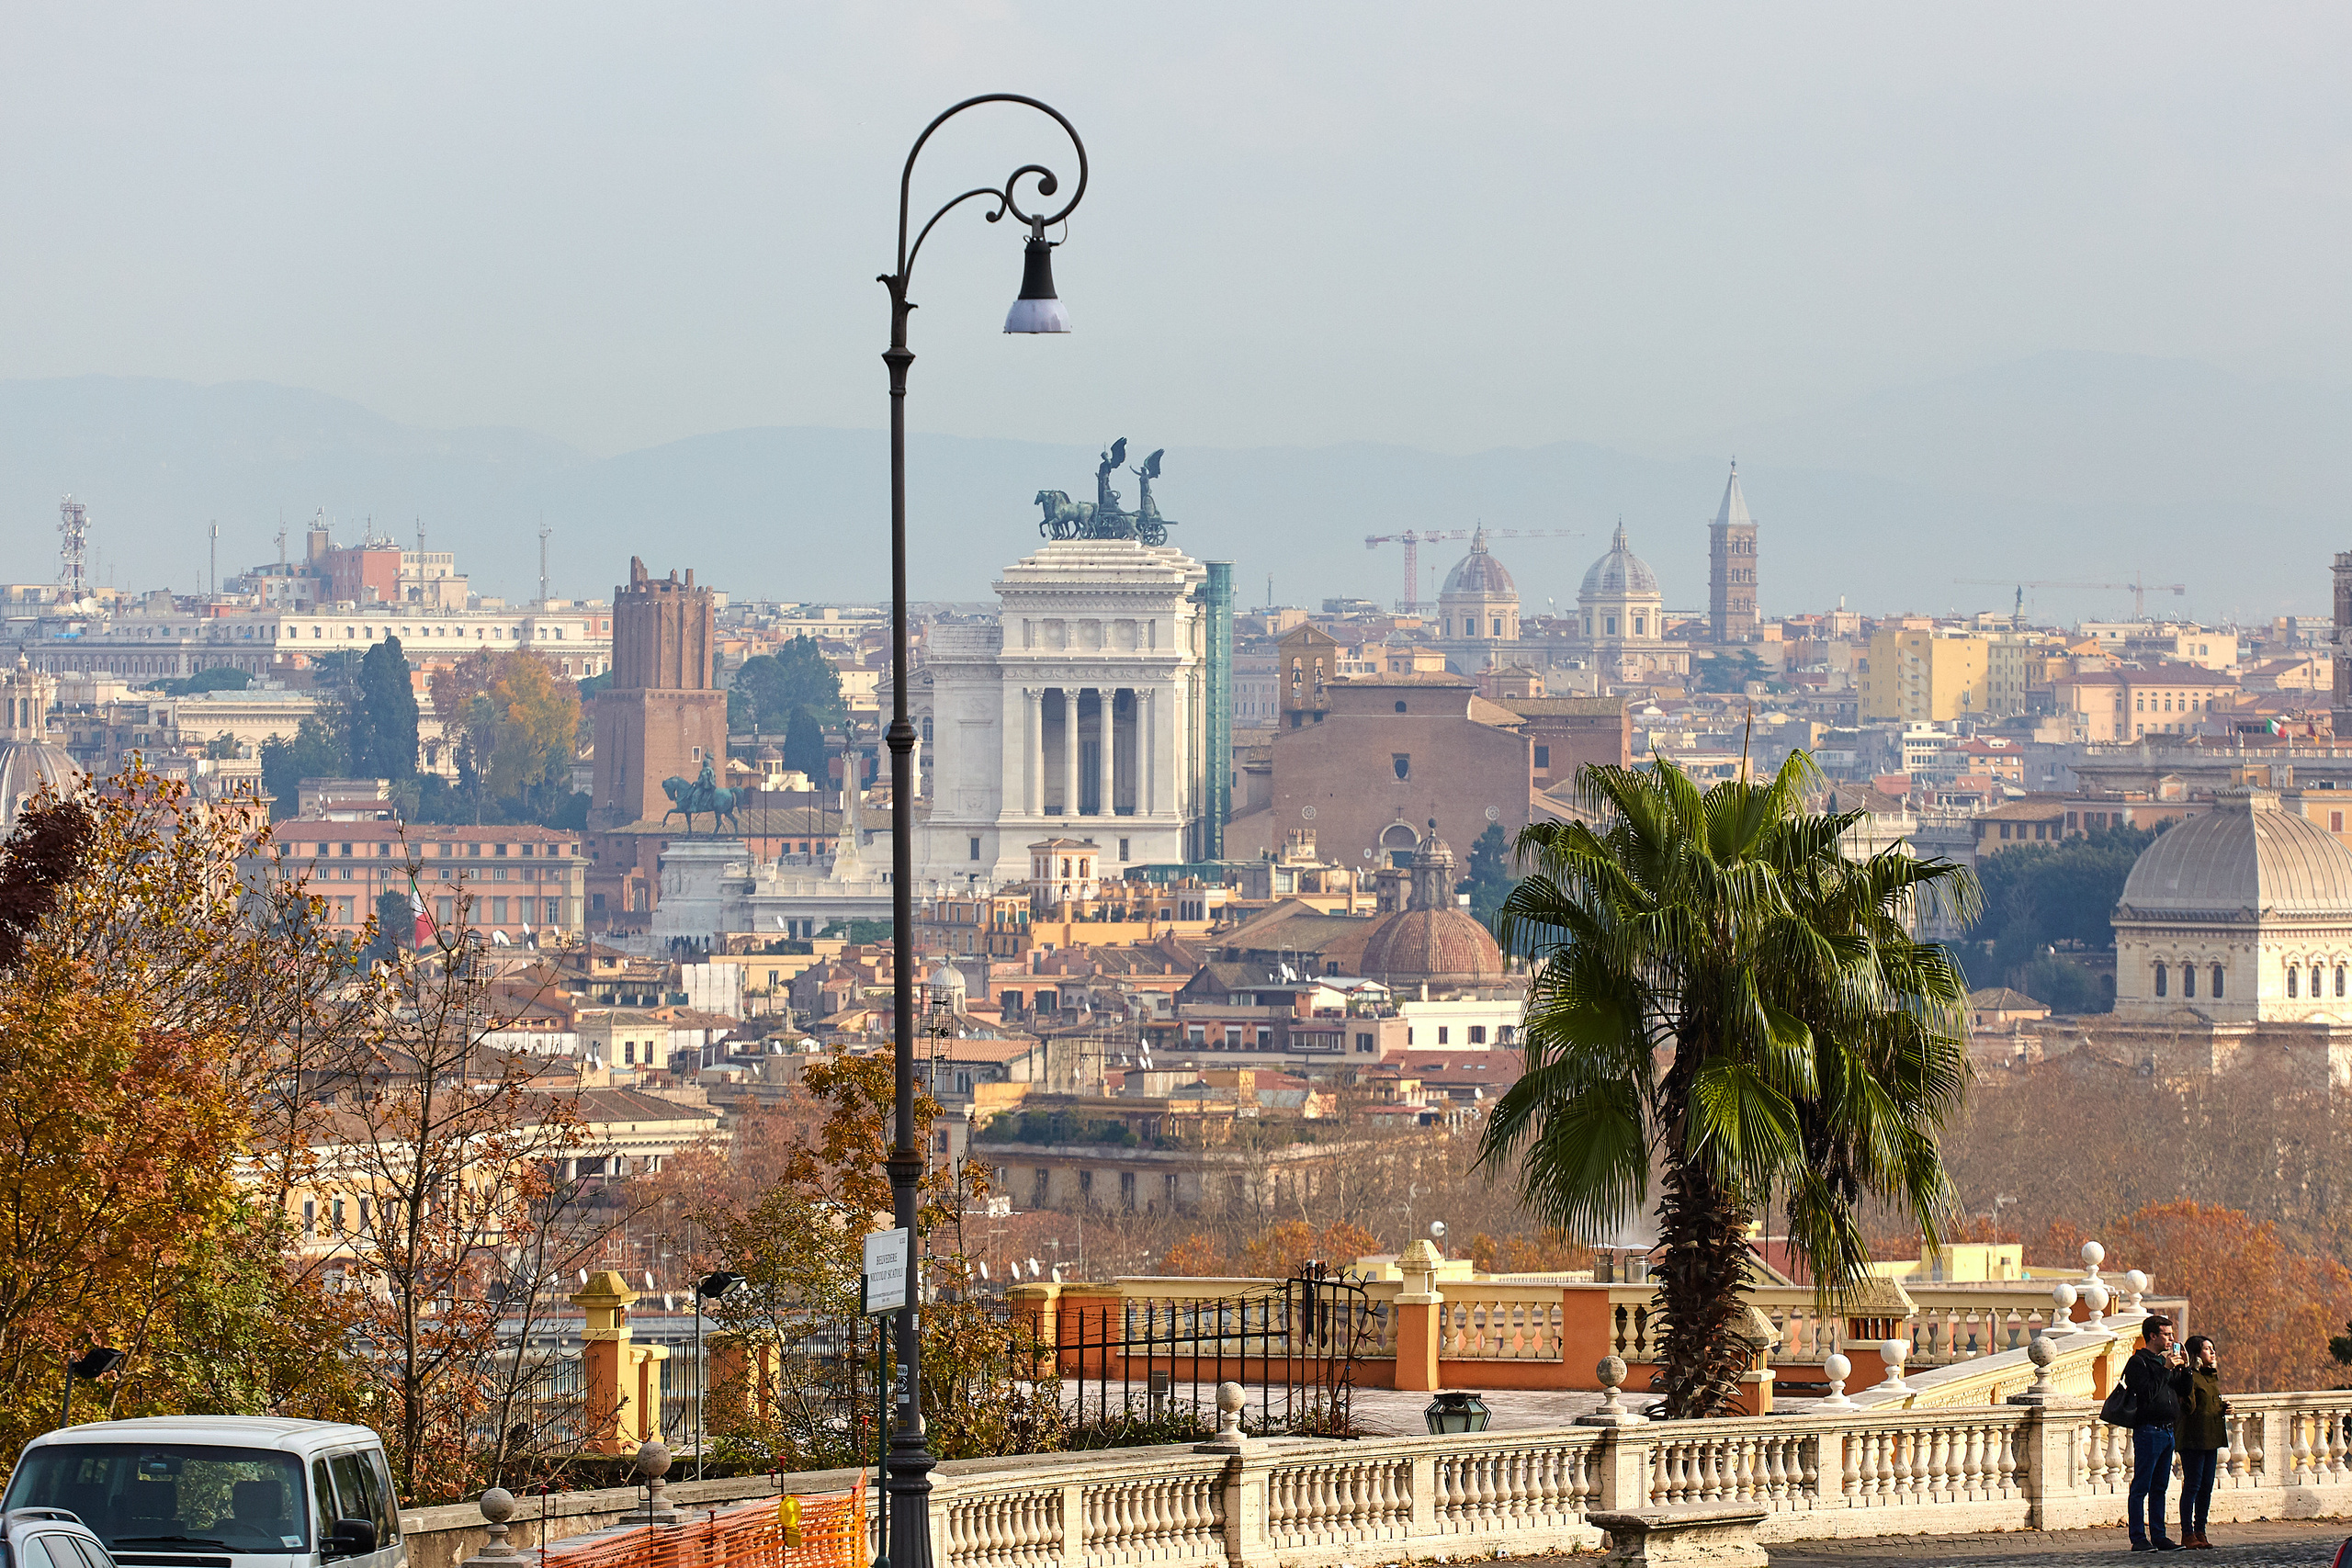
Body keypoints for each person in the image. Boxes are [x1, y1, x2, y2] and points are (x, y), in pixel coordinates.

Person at [2124, 1314, 2185, 1551]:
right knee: (2141, 1486)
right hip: (2149, 1430)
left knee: (2160, 1487)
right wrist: (2165, 1369)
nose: (2171, 1339)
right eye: (2167, 1334)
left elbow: (2182, 1390)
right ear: (2153, 1336)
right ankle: (2138, 1538)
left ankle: (2159, 1535)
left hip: (2168, 1431)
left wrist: (2185, 1369)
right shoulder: (2138, 1363)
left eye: (2172, 1334)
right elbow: (2146, 1393)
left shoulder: (2165, 1362)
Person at [2171, 1335, 2227, 1551]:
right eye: (2206, 1349)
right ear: (2196, 1354)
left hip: (2210, 1437)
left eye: (2212, 1348)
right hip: (2194, 1439)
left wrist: (2223, 1408)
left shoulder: (2210, 1377)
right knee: (2193, 1486)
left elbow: (2209, 1405)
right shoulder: (2191, 1376)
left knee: (2206, 1487)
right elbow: (2190, 1407)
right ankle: (2188, 1533)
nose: (2212, 1352)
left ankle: (2200, 1530)